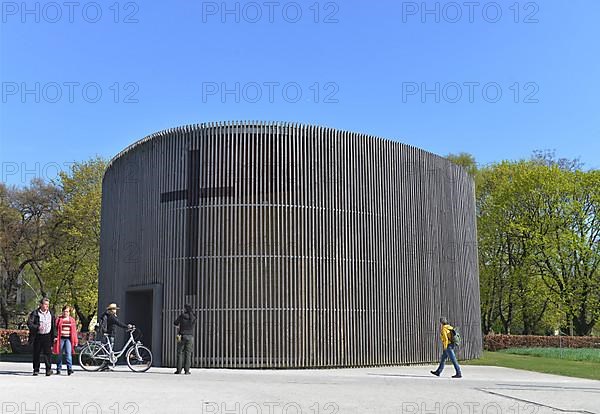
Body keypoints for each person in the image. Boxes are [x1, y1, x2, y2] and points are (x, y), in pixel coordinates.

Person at [27, 297, 56, 376]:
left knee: (48, 353)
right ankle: (36, 369)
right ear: (41, 305)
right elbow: (29, 323)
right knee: (36, 353)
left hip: (47, 336)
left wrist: (55, 336)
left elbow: (54, 325)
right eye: (45, 304)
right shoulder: (35, 313)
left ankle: (48, 369)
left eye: (48, 305)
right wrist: (37, 327)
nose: (47, 306)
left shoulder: (51, 313)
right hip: (37, 335)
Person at [98, 303, 132, 371]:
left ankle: (105, 366)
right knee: (109, 351)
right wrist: (127, 326)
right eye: (114, 309)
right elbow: (118, 323)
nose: (115, 310)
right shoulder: (111, 316)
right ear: (111, 310)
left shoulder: (109, 315)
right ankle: (104, 365)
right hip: (110, 335)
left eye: (115, 309)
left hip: (110, 334)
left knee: (109, 351)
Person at [53, 305, 78, 375]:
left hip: (68, 339)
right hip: (61, 338)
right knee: (59, 354)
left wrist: (75, 341)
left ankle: (69, 369)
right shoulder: (59, 319)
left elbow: (74, 332)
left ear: (69, 312)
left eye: (67, 311)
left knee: (68, 354)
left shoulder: (72, 320)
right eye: (64, 311)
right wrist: (55, 337)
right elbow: (55, 329)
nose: (65, 313)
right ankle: (58, 368)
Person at [173, 303, 196, 375]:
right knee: (188, 353)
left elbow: (175, 323)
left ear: (185, 309)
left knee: (179, 353)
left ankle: (179, 370)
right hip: (190, 336)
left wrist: (178, 327)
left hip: (180, 335)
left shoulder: (182, 316)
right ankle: (187, 371)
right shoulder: (194, 317)